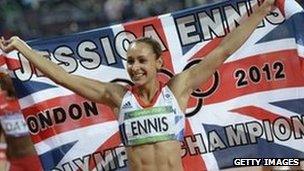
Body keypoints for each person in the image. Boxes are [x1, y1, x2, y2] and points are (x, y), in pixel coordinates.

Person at [0, 0, 275, 170]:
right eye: (130, 61)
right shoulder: (118, 96)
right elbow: (64, 77)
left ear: (158, 62)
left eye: (141, 60)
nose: (134, 67)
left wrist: (260, 12)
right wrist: (24, 48)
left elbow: (223, 51)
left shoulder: (177, 89)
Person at [0, 74, 43, 171]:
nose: (3, 79)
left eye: (5, 75)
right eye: (1, 76)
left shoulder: (34, 98)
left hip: (38, 161)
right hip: (14, 163)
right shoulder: (0, 102)